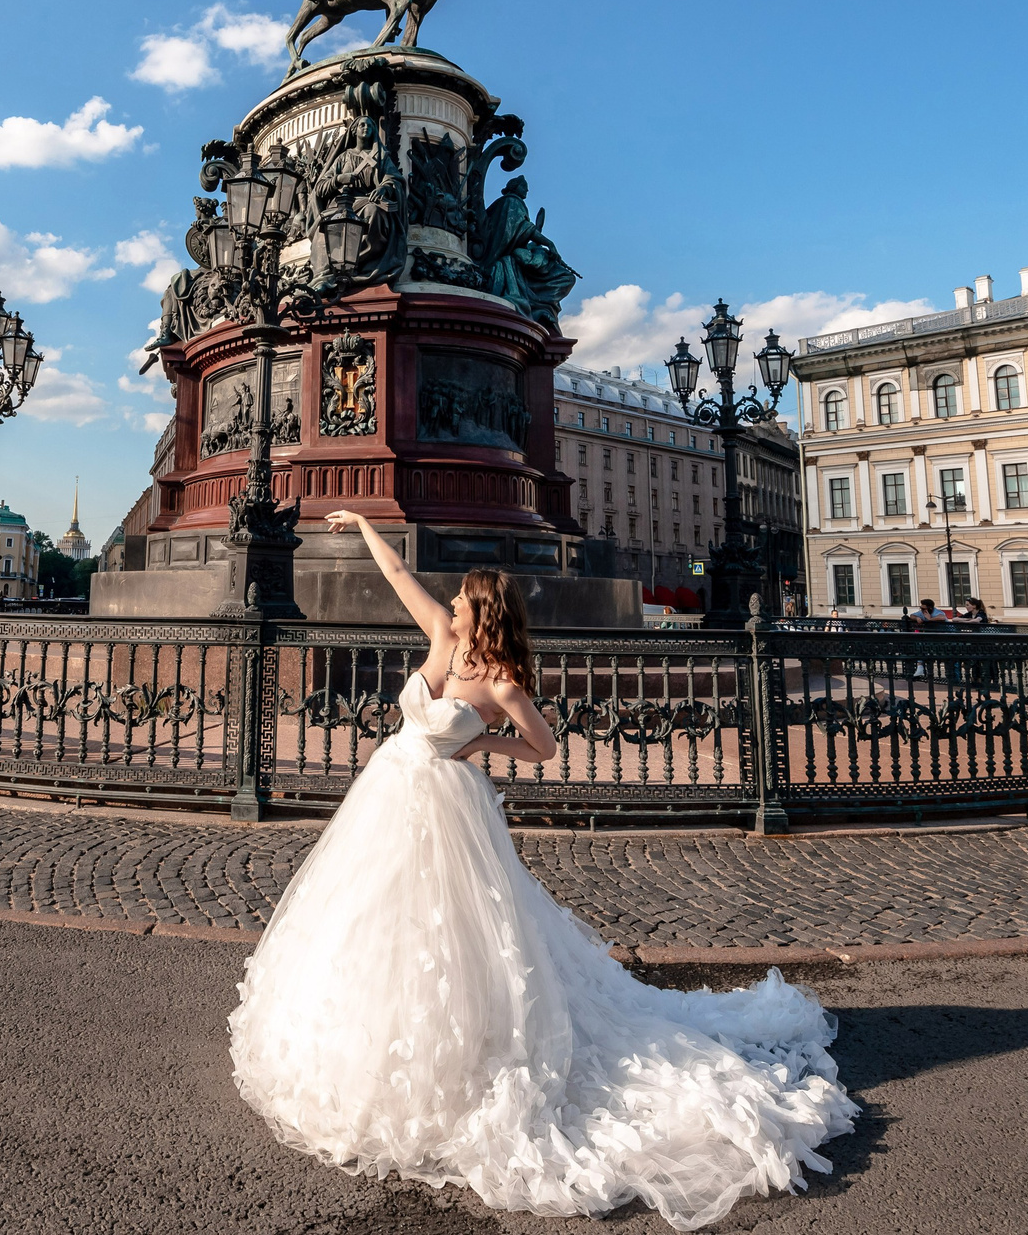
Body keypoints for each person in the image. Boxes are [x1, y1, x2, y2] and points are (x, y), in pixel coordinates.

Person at [229, 508, 856, 1227]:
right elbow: (399, 573)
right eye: (455, 599)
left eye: (464, 598)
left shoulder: (500, 684)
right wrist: (364, 522)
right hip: (390, 790)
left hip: (449, 807)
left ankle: (465, 1046)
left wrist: (484, 747)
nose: (453, 602)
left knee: (459, 925)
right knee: (371, 914)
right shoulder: (440, 635)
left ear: (482, 611)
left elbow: (545, 747)